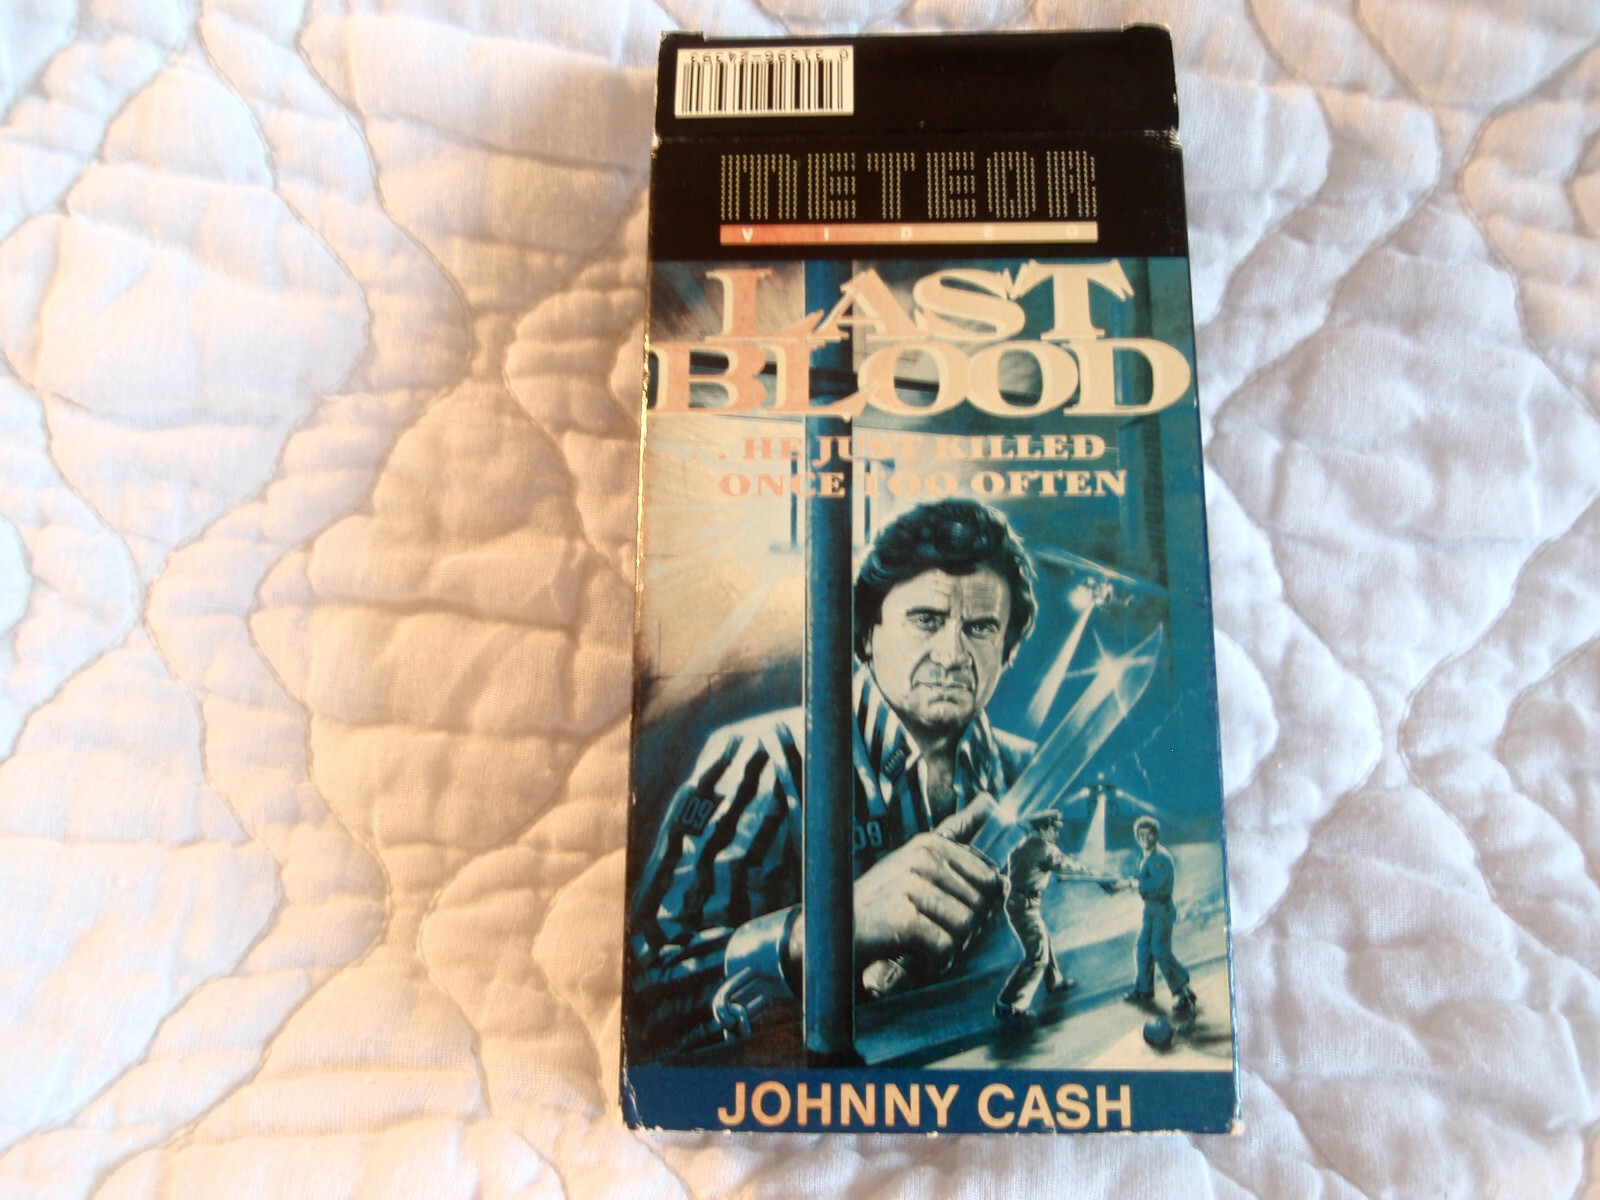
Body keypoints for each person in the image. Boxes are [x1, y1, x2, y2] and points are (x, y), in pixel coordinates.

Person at [629, 499, 1037, 1057]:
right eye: (926, 619)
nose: (952, 654)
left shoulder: (1023, 769)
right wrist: (830, 930)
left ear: (1008, 648)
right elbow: (648, 989)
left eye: (981, 627)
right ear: (866, 635)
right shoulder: (765, 760)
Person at [993, 811, 1100, 1026]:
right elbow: (1067, 867)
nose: (1056, 834)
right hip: (1026, 905)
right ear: (1043, 828)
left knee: (1043, 942)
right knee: (1037, 956)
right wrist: (1093, 873)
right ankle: (1010, 1004)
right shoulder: (1045, 849)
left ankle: (1054, 981)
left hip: (1018, 902)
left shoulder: (1021, 847)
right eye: (1054, 829)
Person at [1118, 815, 1196, 1014]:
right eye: (1140, 835)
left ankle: (1183, 992)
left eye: (1148, 835)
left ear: (1156, 835)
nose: (1144, 839)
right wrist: (1127, 882)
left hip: (1162, 910)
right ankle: (1144, 990)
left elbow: (1156, 883)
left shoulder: (1160, 857)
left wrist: (1134, 883)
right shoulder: (1148, 855)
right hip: (1151, 910)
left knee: (1159, 951)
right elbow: (1145, 878)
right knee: (1143, 948)